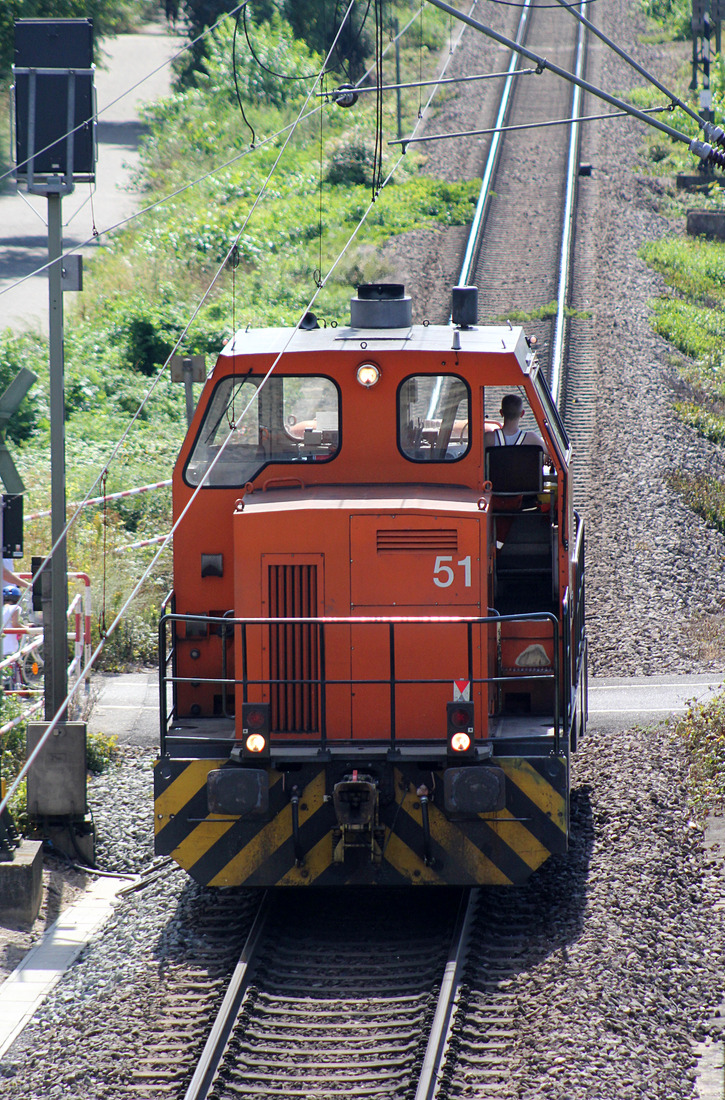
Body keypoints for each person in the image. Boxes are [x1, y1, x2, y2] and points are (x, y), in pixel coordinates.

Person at [2, 585, 23, 689]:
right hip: (9, 646)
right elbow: (15, 623)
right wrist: (26, 628)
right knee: (11, 670)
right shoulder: (15, 608)